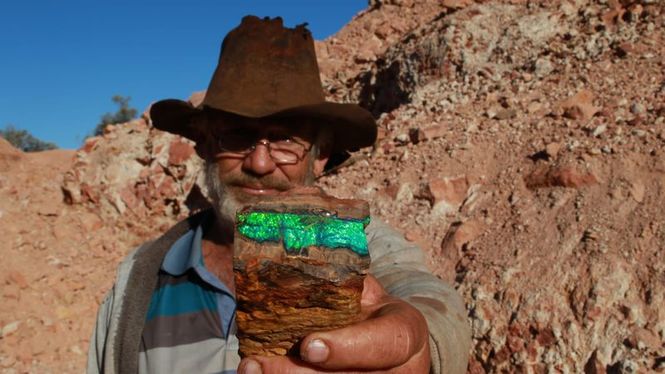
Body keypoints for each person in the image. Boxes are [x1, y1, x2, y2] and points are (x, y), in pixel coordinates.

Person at [87, 16, 471, 374]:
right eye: (236, 135)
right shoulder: (140, 278)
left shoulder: (363, 245)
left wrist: (417, 343)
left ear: (320, 156)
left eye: (286, 139)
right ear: (204, 145)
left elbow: (424, 297)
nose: (259, 163)